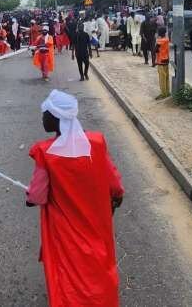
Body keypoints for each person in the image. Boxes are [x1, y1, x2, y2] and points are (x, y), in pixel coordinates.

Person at [26, 90, 124, 307]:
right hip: (95, 219)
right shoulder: (95, 144)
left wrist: (30, 198)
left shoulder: (46, 153)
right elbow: (113, 181)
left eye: (45, 114)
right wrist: (117, 195)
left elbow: (38, 195)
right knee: (97, 260)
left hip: (64, 226)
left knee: (69, 267)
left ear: (56, 118)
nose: (42, 118)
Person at [155, 26, 170, 99]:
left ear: (159, 33)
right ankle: (167, 92)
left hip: (160, 61)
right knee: (166, 77)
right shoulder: (167, 40)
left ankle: (163, 94)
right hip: (166, 60)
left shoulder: (159, 41)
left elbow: (155, 50)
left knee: (162, 78)